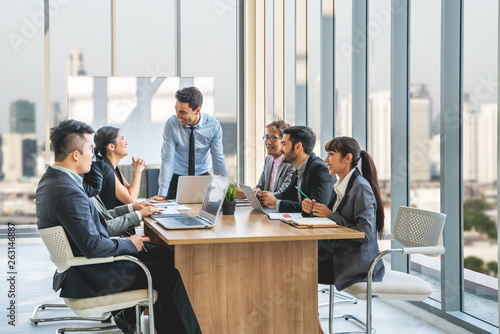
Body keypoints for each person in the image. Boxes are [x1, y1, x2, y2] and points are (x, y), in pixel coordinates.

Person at [36, 119, 201, 334]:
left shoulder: (53, 181)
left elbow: (97, 223)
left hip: (83, 269)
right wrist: (130, 244)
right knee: (169, 273)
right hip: (92, 274)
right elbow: (93, 246)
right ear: (75, 155)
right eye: (89, 149)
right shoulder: (68, 192)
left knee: (165, 257)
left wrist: (132, 216)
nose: (93, 156)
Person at [300, 136, 385, 334]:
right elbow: (333, 218)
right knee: (297, 261)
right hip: (340, 252)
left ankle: (312, 328)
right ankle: (308, 326)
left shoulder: (360, 188)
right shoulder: (342, 185)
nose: (326, 159)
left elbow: (364, 233)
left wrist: (331, 215)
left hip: (356, 263)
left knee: (299, 268)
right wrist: (310, 210)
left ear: (347, 158)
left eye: (331, 154)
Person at [149, 86, 227, 201]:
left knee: (202, 216)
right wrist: (162, 193)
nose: (178, 116)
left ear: (197, 110)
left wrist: (223, 190)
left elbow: (218, 159)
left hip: (202, 179)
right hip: (176, 180)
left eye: (182, 112)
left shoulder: (213, 126)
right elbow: (167, 159)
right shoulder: (171, 124)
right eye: (176, 110)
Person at [258, 125, 334, 212]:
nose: (281, 149)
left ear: (298, 147)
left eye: (284, 144)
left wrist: (276, 203)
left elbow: (315, 209)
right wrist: (265, 197)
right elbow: (288, 195)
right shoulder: (299, 168)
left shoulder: (320, 169)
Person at [236, 119, 295, 199]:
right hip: (266, 207)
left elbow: (283, 194)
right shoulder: (269, 159)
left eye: (273, 138)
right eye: (267, 138)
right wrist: (250, 192)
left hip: (278, 209)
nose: (268, 142)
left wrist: (255, 195)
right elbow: (260, 186)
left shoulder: (291, 164)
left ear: (284, 140)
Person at [93, 126, 146, 209]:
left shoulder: (113, 168)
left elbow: (131, 191)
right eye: (122, 139)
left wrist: (137, 169)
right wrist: (138, 171)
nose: (126, 143)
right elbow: (131, 199)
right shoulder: (105, 169)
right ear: (111, 146)